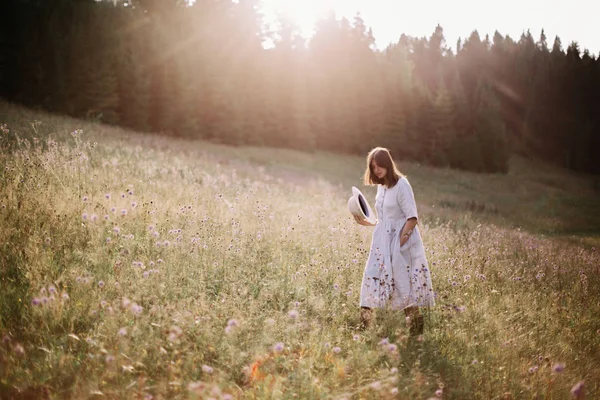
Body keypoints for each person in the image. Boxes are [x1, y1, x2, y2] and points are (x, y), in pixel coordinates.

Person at [356, 147, 435, 335]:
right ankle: (365, 331)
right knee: (371, 280)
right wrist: (366, 222)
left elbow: (412, 218)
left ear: (388, 163)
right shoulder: (381, 187)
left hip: (401, 244)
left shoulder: (402, 184)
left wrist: (398, 245)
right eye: (373, 167)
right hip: (381, 244)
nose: (377, 170)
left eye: (380, 165)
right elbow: (384, 221)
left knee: (403, 288)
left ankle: (417, 336)